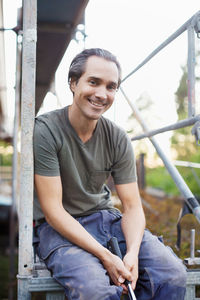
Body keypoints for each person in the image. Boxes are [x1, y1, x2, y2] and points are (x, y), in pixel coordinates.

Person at [33, 48, 187, 300]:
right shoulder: (46, 130)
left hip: (106, 221)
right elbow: (53, 211)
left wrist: (132, 254)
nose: (102, 94)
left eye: (111, 86)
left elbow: (132, 206)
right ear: (73, 83)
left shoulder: (117, 136)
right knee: (95, 290)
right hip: (59, 228)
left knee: (171, 274)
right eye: (93, 82)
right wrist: (106, 256)